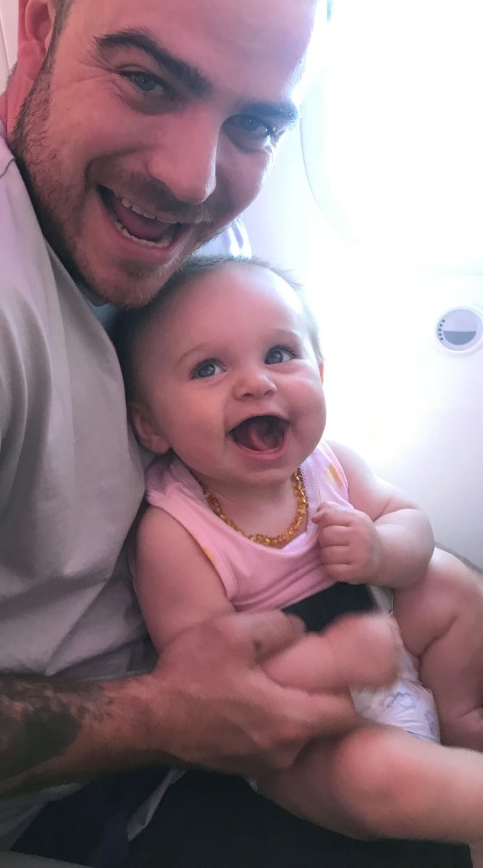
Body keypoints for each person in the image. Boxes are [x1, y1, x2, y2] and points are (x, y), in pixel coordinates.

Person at [0, 0, 475, 864]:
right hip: (39, 813)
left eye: (253, 123)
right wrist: (160, 714)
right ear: (39, 20)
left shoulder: (186, 228)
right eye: (147, 79)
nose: (191, 179)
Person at [113, 252, 483, 844]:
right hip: (304, 731)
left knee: (446, 579)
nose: (257, 381)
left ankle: (462, 721)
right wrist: (331, 664)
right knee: (375, 775)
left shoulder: (327, 463)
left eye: (280, 355)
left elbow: (413, 522)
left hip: (390, 650)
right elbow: (213, 685)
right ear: (151, 425)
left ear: (321, 373)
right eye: (208, 368)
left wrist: (383, 551)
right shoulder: (175, 531)